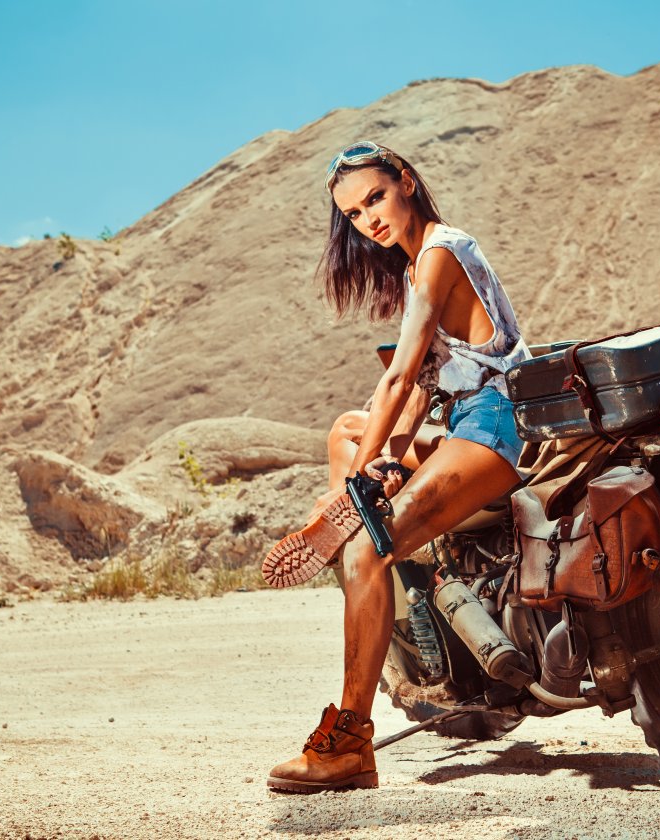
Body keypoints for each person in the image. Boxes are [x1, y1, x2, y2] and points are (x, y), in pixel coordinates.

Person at [262, 141, 531, 793]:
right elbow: (418, 389)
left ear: (406, 182)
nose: (368, 220)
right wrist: (372, 451)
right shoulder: (419, 266)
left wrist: (374, 467)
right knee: (344, 431)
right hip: (464, 416)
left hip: (494, 423)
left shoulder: (439, 253)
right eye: (354, 215)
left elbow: (405, 373)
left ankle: (350, 741)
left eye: (375, 198)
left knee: (365, 553)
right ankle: (363, 537)